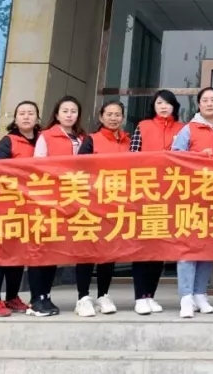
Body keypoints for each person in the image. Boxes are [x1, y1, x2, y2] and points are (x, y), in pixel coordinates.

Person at [171, 86, 213, 318]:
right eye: (205, 100)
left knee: (208, 247)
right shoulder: (189, 129)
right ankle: (185, 296)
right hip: (192, 195)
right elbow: (175, 157)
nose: (209, 103)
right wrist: (196, 157)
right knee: (188, 246)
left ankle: (200, 293)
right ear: (199, 104)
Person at [28, 95, 86, 317]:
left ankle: (46, 295)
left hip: (71, 200)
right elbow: (38, 166)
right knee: (41, 249)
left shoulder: (82, 138)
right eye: (65, 111)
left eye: (73, 111)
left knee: (53, 251)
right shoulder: (46, 136)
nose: (69, 115)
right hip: (48, 200)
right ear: (57, 114)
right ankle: (36, 298)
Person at [129, 89, 185, 315]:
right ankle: (139, 296)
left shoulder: (182, 129)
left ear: (174, 107)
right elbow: (132, 156)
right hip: (145, 194)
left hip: (171, 194)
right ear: (154, 105)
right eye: (159, 103)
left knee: (160, 248)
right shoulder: (143, 126)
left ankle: (150, 295)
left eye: (167, 103)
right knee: (143, 247)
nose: (163, 107)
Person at [75, 99, 131, 317]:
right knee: (87, 250)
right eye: (109, 114)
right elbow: (80, 168)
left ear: (122, 118)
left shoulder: (128, 141)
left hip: (116, 204)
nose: (113, 118)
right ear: (101, 116)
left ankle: (103, 294)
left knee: (109, 251)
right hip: (92, 203)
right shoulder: (91, 140)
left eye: (117, 114)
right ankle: (83, 297)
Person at [0, 100, 39, 317]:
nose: (26, 117)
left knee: (19, 254)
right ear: (15, 118)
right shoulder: (8, 142)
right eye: (22, 113)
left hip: (32, 207)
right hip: (7, 206)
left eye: (30, 113)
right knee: (1, 253)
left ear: (37, 118)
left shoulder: (43, 141)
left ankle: (12, 297)